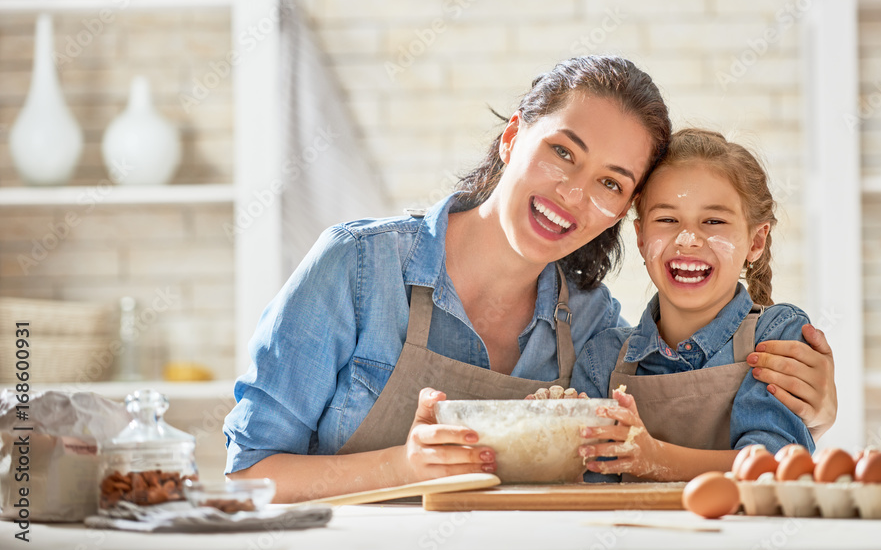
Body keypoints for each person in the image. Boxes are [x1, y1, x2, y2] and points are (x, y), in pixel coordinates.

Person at [224, 57, 836, 502]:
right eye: (563, 152)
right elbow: (248, 476)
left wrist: (815, 411)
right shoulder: (357, 267)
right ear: (513, 134)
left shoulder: (590, 322)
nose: (574, 194)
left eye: (611, 182)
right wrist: (401, 467)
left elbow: (675, 392)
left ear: (623, 212)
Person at [572, 128, 821, 482]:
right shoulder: (603, 359)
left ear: (756, 241)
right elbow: (589, 489)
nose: (688, 239)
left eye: (714, 221)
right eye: (668, 220)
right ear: (641, 239)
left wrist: (654, 458)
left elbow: (773, 466)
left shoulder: (776, 335)